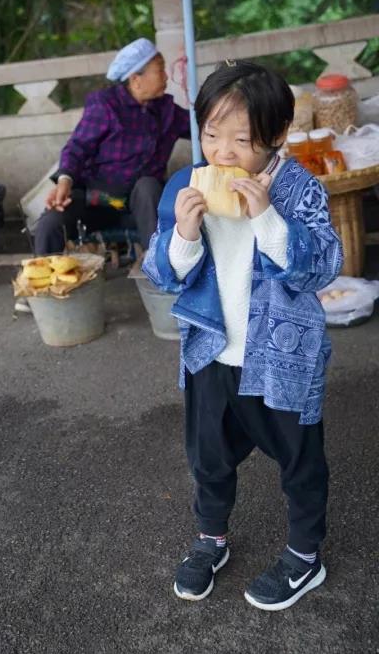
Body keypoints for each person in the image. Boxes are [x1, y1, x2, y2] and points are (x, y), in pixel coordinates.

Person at [142, 61, 343, 611]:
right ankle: (212, 538)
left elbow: (323, 266)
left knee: (300, 457)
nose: (222, 153)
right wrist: (182, 234)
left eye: (241, 139)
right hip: (211, 348)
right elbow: (160, 273)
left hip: (282, 357)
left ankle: (305, 556)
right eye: (210, 134)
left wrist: (269, 222)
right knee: (207, 454)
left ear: (276, 137)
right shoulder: (188, 185)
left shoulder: (298, 186)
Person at [33, 38, 190, 259]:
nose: (166, 76)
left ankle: (159, 266)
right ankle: (45, 282)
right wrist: (64, 181)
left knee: (148, 186)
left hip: (141, 208)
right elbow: (77, 148)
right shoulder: (105, 105)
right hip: (100, 199)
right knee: (51, 223)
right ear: (136, 79)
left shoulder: (167, 111)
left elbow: (204, 127)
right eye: (160, 70)